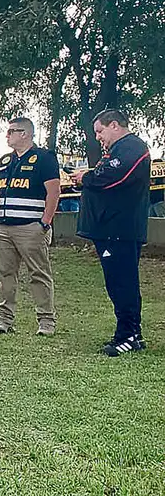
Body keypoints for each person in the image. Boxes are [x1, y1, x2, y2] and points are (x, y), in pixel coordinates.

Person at [71, 109, 151, 357]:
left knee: (122, 283)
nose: (98, 137)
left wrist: (87, 177)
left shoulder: (132, 147)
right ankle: (133, 334)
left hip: (120, 229)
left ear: (114, 125)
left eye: (100, 131)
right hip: (110, 229)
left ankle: (127, 335)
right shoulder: (118, 151)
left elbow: (114, 176)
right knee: (118, 283)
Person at [0, 118, 61, 336]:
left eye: (12, 131)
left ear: (25, 134)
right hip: (2, 229)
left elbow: (54, 192)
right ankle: (3, 320)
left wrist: (44, 223)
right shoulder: (4, 161)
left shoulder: (44, 158)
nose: (7, 135)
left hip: (31, 228)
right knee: (5, 274)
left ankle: (46, 321)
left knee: (38, 274)